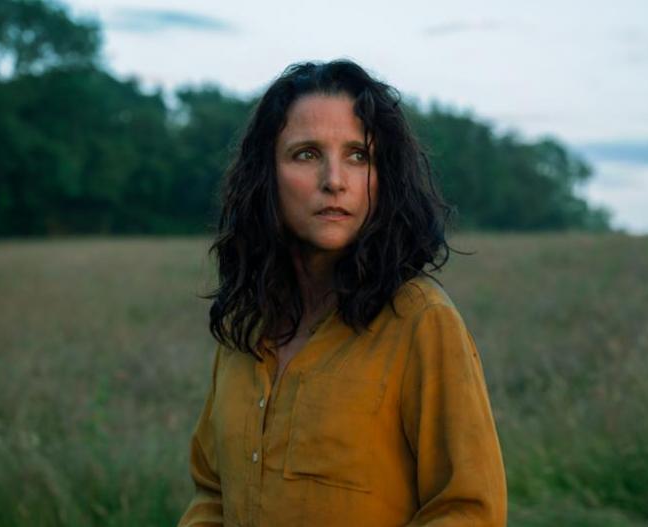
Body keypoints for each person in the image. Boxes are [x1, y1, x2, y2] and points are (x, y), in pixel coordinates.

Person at [178, 59, 506, 527]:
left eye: (358, 156)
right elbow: (213, 494)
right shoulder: (244, 324)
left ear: (383, 177)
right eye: (306, 154)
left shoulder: (421, 321)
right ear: (266, 175)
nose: (334, 180)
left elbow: (468, 511)